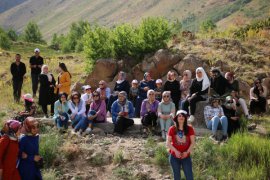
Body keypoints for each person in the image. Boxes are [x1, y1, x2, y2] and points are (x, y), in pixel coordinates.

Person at [167, 110, 195, 180]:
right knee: (177, 177)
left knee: (189, 177)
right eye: (179, 116)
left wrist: (187, 152)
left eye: (183, 116)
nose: (181, 117)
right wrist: (176, 151)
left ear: (185, 118)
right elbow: (168, 143)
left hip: (186, 157)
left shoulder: (190, 128)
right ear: (176, 118)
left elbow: (193, 143)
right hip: (174, 157)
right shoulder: (172, 129)